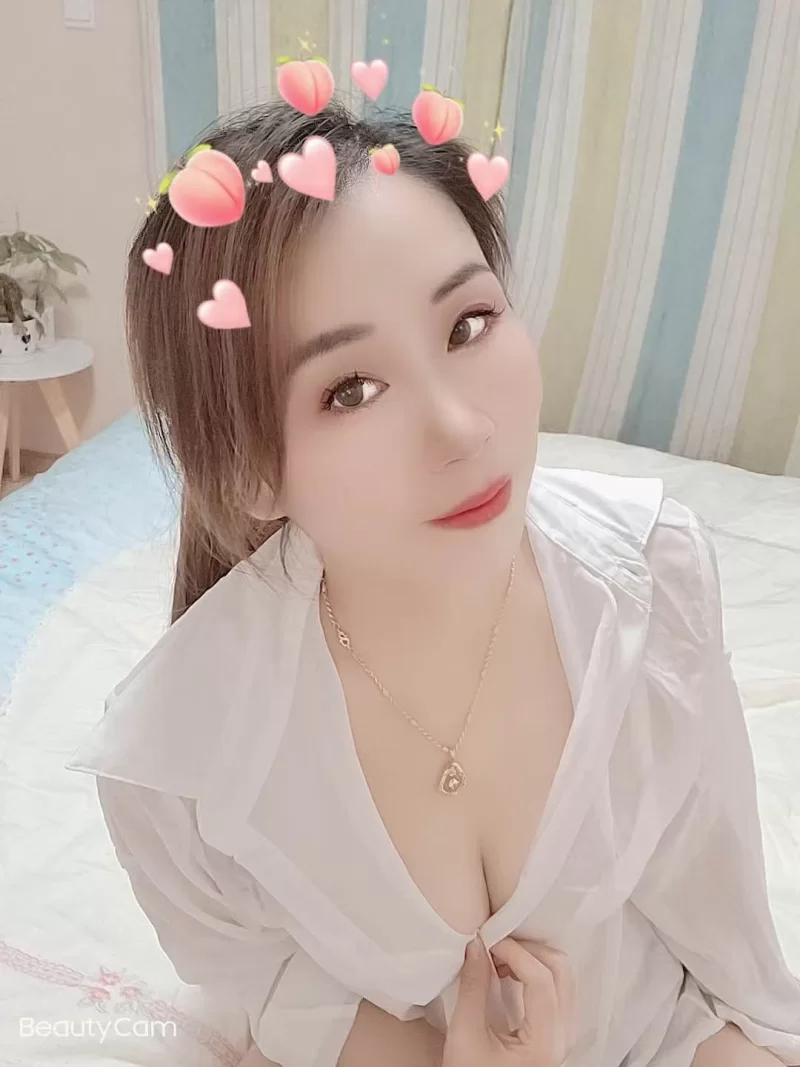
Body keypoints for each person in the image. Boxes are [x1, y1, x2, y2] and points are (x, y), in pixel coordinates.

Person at [68, 100, 800, 1066]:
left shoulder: (650, 583)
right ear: (249, 473)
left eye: (469, 323)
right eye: (351, 390)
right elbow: (278, 986)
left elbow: (731, 974)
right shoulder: (179, 767)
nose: (460, 429)